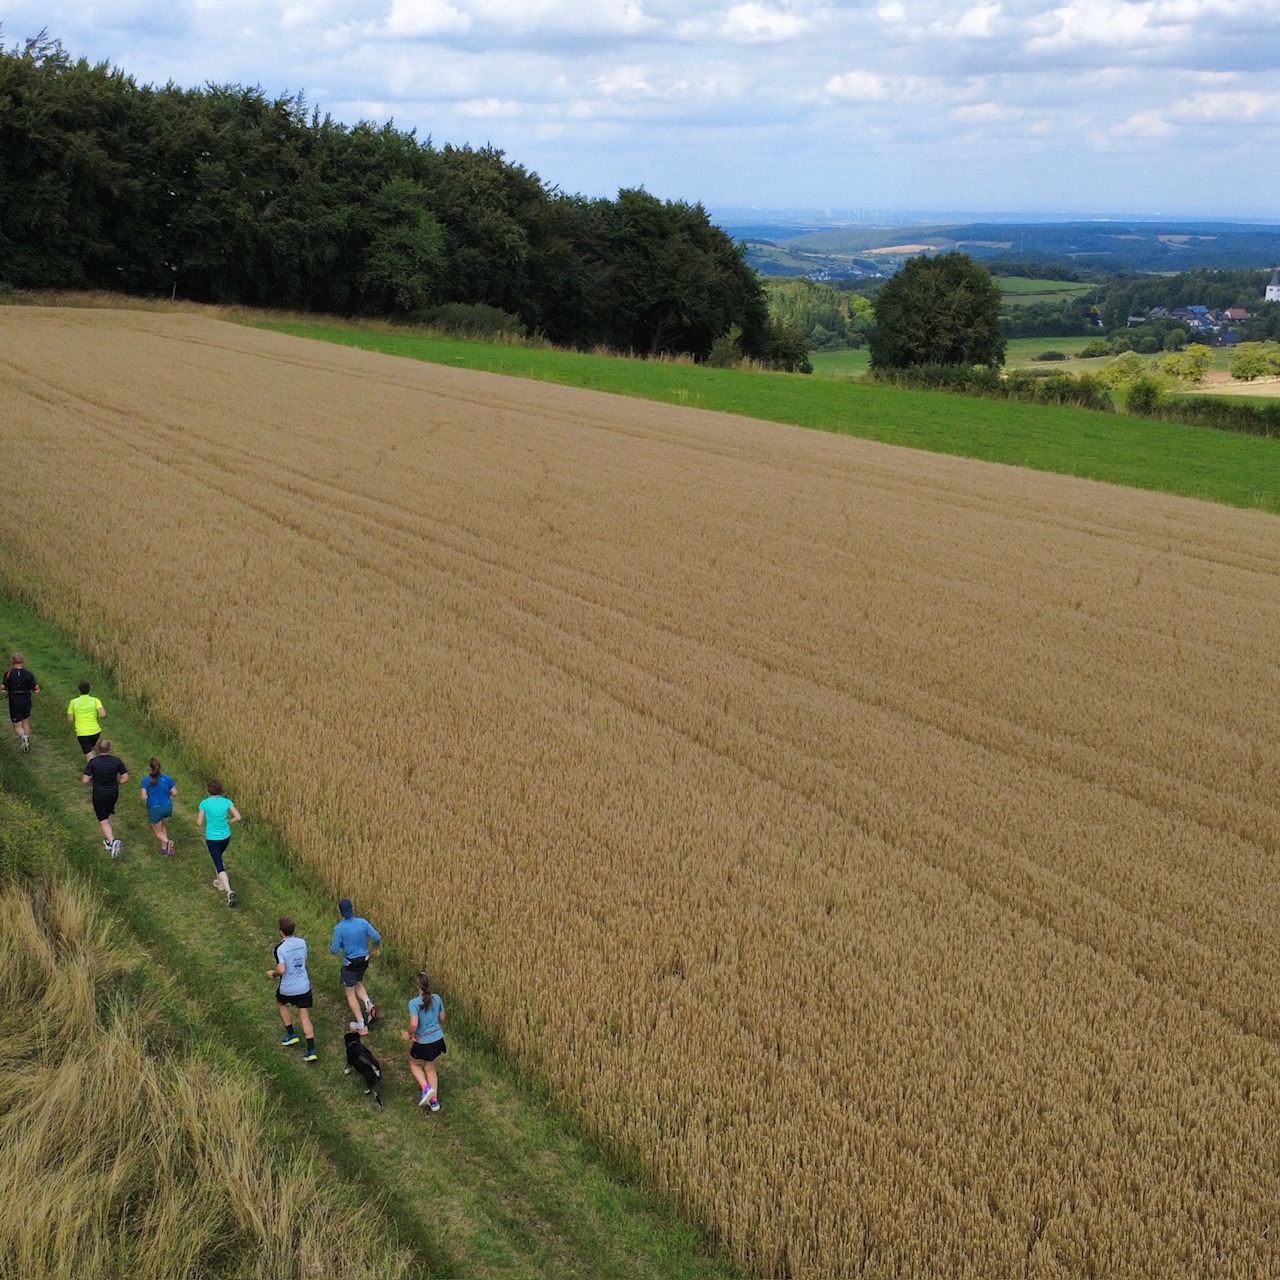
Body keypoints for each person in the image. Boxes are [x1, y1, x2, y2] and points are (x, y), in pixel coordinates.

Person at [268, 916, 317, 1062]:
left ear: (281, 931)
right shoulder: (302, 943)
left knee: (281, 1003)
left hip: (288, 987)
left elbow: (282, 969)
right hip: (304, 986)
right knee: (304, 1016)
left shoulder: (280, 948)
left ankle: (291, 1034)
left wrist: (273, 974)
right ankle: (311, 1050)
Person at [330, 898, 381, 1035]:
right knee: (358, 982)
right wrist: (376, 948)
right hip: (364, 961)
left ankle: (361, 1025)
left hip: (350, 964)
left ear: (341, 912)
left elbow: (334, 950)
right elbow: (377, 937)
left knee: (350, 992)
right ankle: (368, 1004)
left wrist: (341, 946)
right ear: (352, 909)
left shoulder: (339, 929)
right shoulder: (363, 923)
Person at [401, 971, 446, 1111]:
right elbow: (442, 1018)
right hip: (438, 1040)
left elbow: (414, 1024)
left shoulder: (414, 1003)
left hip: (423, 1043)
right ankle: (434, 1102)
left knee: (414, 1064)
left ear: (417, 986)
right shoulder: (437, 998)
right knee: (430, 1068)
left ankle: (426, 1088)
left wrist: (409, 1034)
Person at [196, 778, 240, 908]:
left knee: (219, 864)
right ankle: (219, 883)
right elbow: (238, 817)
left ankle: (228, 890)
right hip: (225, 837)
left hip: (212, 838)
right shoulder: (227, 802)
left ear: (209, 790)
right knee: (218, 858)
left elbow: (199, 822)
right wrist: (229, 822)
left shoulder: (204, 803)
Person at [81, 739, 128, 858]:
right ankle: (108, 840)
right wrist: (118, 782)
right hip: (113, 793)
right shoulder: (116, 761)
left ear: (98, 749)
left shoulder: (93, 762)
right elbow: (125, 777)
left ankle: (113, 842)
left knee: (103, 820)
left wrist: (92, 779)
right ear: (109, 749)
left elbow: (85, 780)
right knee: (107, 815)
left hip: (99, 794)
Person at [2, 653, 40, 751]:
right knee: (25, 721)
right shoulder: (28, 674)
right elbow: (36, 689)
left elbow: (3, 688)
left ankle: (23, 737)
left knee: (17, 725)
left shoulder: (8, 674)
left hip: (14, 700)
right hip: (26, 699)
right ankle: (27, 740)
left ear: (13, 662)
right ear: (22, 661)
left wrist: (5, 692)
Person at [140, 757, 177, 856]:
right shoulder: (167, 778)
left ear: (150, 768)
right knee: (162, 827)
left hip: (155, 808)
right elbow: (174, 793)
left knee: (157, 831)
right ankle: (165, 849)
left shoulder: (146, 780)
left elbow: (143, 796)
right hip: (168, 807)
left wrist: (149, 795)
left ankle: (168, 842)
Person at [66, 680, 106, 761]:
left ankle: (94, 771)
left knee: (89, 756)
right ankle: (97, 765)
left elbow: (70, 719)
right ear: (89, 689)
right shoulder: (95, 700)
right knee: (91, 750)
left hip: (82, 733)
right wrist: (97, 715)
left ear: (79, 690)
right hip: (95, 731)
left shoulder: (73, 702)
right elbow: (103, 714)